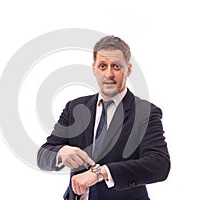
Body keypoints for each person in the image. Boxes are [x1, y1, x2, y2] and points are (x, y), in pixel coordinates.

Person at [37, 35, 170, 200]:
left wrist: (101, 173)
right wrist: (60, 153)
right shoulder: (75, 107)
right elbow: (43, 156)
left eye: (116, 66)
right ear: (94, 69)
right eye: (102, 66)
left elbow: (159, 165)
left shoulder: (145, 112)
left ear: (128, 69)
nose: (109, 74)